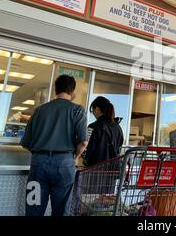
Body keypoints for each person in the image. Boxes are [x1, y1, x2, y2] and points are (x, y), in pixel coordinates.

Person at [20, 75, 88, 216]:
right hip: (64, 165)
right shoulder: (78, 110)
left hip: (38, 164)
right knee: (61, 210)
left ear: (56, 90)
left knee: (34, 207)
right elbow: (83, 142)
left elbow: (26, 143)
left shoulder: (39, 110)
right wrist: (74, 157)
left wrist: (40, 154)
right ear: (72, 91)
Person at [83, 96, 124, 166]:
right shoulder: (118, 128)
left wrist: (83, 158)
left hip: (95, 169)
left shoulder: (93, 127)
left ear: (97, 109)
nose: (92, 112)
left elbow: (85, 146)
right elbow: (119, 147)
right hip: (112, 170)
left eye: (93, 109)